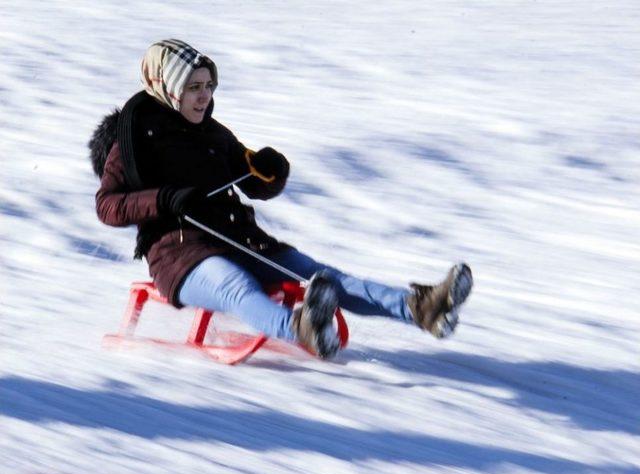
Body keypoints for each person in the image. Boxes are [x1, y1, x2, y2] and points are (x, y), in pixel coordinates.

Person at [90, 39, 473, 359]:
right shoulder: (135, 141)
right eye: (194, 87)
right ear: (168, 88)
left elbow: (256, 184)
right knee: (236, 287)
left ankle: (421, 308)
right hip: (181, 255)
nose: (205, 96)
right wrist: (165, 198)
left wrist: (269, 170)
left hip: (242, 239)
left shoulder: (212, 133)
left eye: (209, 86)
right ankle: (298, 328)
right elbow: (107, 205)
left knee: (326, 278)